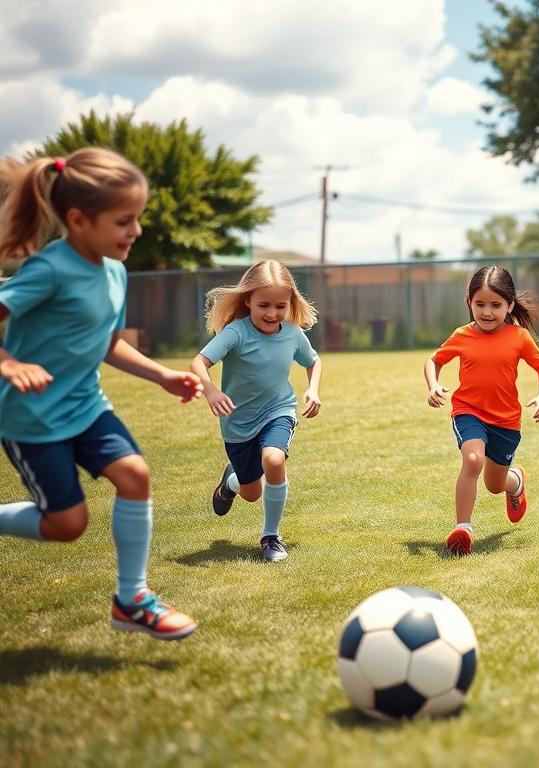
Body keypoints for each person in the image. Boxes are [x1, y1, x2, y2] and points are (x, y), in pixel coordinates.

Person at [0, 147, 201, 640]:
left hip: (87, 406)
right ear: (78, 219)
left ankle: (131, 600)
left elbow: (108, 343)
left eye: (138, 218)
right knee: (68, 525)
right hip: (34, 418)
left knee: (135, 474)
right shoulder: (47, 270)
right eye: (124, 220)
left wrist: (163, 376)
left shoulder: (115, 269)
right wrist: (10, 363)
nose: (136, 231)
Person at [190, 260, 322, 562]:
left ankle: (271, 537)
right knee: (252, 493)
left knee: (273, 459)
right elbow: (199, 363)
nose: (272, 313)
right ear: (247, 299)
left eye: (280, 305)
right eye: (264, 305)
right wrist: (211, 390)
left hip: (279, 410)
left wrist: (313, 389)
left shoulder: (292, 334)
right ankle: (231, 482)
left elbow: (313, 361)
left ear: (290, 303)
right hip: (237, 423)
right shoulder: (236, 333)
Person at [424, 264, 539, 555]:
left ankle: (515, 482)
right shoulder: (462, 335)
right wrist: (433, 385)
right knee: (472, 460)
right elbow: (434, 360)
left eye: (495, 305)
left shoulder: (519, 337)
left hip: (506, 422)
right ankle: (463, 528)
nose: (486, 312)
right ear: (469, 302)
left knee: (495, 484)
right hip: (468, 411)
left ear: (509, 305)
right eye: (479, 304)